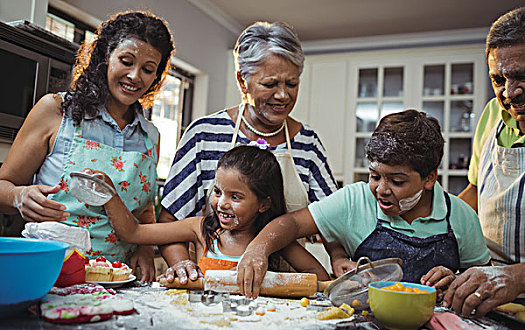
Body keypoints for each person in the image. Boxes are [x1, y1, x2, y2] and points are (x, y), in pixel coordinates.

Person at [235, 110, 491, 299]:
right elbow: (290, 223)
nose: (381, 189)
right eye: (375, 176)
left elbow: (483, 283)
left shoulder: (460, 217)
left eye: (397, 181)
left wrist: (456, 282)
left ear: (429, 178)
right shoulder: (355, 200)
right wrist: (258, 248)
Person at [0, 11, 175, 281]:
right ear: (106, 55)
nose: (134, 76)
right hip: (52, 274)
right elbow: (4, 184)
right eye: (126, 61)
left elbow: (143, 209)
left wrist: (144, 245)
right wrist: (19, 197)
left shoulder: (151, 136)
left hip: (118, 279)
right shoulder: (57, 110)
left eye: (148, 69)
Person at [158, 21, 338, 283]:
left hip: (287, 291)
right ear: (243, 80)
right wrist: (182, 263)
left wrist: (338, 255)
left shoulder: (307, 143)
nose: (283, 95)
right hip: (216, 285)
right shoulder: (204, 134)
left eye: (292, 83)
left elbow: (331, 218)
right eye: (270, 84)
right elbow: (170, 220)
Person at [96, 144, 330, 280]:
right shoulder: (200, 228)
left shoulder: (272, 240)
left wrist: (278, 284)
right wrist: (109, 195)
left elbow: (318, 275)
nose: (222, 203)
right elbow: (133, 232)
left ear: (264, 204)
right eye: (218, 191)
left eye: (235, 197)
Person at [446, 7, 525, 316]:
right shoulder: (492, 115)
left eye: (521, 77)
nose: (509, 92)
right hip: (491, 294)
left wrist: (516, 276)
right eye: (497, 79)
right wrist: (432, 224)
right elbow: (477, 194)